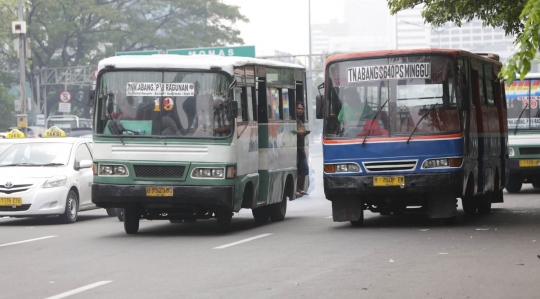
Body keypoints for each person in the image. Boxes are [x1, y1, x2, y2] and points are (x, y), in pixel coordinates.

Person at [295, 102, 310, 198]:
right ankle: (296, 189)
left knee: (304, 170)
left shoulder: (300, 121)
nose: (300, 110)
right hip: (295, 149)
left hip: (301, 149)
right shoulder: (293, 121)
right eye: (298, 108)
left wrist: (304, 133)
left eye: (302, 109)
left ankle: (297, 187)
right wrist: (299, 133)